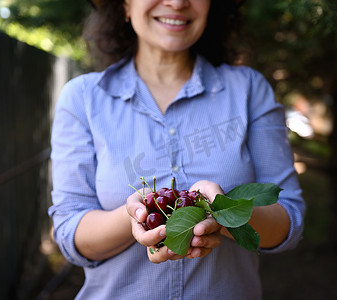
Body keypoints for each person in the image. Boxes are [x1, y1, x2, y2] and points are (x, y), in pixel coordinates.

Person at [49, 0, 306, 299]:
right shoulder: (82, 99)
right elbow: (69, 233)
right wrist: (137, 215)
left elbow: (289, 221)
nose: (177, 2)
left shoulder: (250, 90)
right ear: (126, 5)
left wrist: (221, 211)